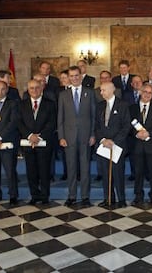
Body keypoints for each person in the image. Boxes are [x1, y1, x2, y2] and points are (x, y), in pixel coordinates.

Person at [58, 66, 96, 207]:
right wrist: (61, 136)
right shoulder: (63, 95)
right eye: (71, 76)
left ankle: (85, 196)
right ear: (68, 78)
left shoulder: (89, 93)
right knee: (71, 167)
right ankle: (72, 196)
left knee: (85, 168)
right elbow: (60, 118)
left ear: (81, 76)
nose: (74, 78)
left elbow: (93, 116)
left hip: (86, 136)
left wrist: (93, 134)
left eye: (76, 75)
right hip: (68, 137)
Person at [18, 79, 56, 205]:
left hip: (44, 142)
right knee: (31, 171)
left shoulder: (50, 104)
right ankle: (34, 195)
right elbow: (19, 122)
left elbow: (52, 123)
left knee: (44, 171)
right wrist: (30, 136)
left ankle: (45, 196)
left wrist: (39, 137)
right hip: (28, 144)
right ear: (28, 90)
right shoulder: (21, 104)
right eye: (31, 88)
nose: (34, 90)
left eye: (37, 88)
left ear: (42, 89)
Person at [95, 82, 131, 208]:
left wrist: (114, 141)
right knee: (105, 173)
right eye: (101, 90)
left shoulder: (123, 105)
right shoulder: (99, 106)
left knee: (118, 173)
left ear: (111, 90)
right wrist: (103, 140)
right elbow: (97, 126)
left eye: (103, 90)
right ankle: (108, 198)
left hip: (117, 145)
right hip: (104, 145)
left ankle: (121, 199)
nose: (101, 93)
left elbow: (126, 126)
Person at [129, 83, 152, 205]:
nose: (147, 94)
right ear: (140, 92)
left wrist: (148, 133)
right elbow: (128, 125)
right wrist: (136, 134)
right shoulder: (132, 108)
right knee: (138, 173)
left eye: (150, 93)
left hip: (151, 146)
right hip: (137, 146)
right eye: (145, 92)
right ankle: (138, 196)